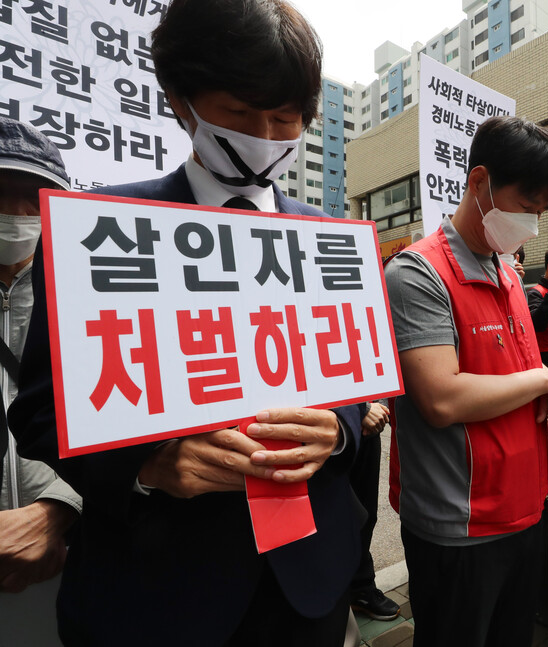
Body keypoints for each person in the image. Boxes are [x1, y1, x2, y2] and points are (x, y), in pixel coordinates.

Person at [9, 2, 366, 645]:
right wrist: (147, 466)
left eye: (284, 120)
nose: (264, 135)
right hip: (152, 593)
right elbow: (40, 412)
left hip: (308, 585)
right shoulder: (99, 233)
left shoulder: (331, 243)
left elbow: (360, 383)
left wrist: (336, 433)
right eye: (236, 113)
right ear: (181, 101)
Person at [384, 115, 548, 647]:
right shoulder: (419, 273)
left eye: (542, 212)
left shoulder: (506, 274)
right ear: (479, 183)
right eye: (526, 205)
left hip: (524, 511)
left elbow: (517, 382)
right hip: (460, 527)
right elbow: (442, 398)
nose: (532, 225)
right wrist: (546, 380)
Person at [0, 118, 82, 644]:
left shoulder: (93, 296)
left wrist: (60, 508)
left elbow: (129, 427)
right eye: (3, 195)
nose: (18, 214)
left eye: (36, 199)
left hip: (72, 560)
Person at [348, 401, 399, 621]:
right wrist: (359, 409)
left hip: (365, 427)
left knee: (364, 515)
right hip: (319, 429)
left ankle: (360, 587)